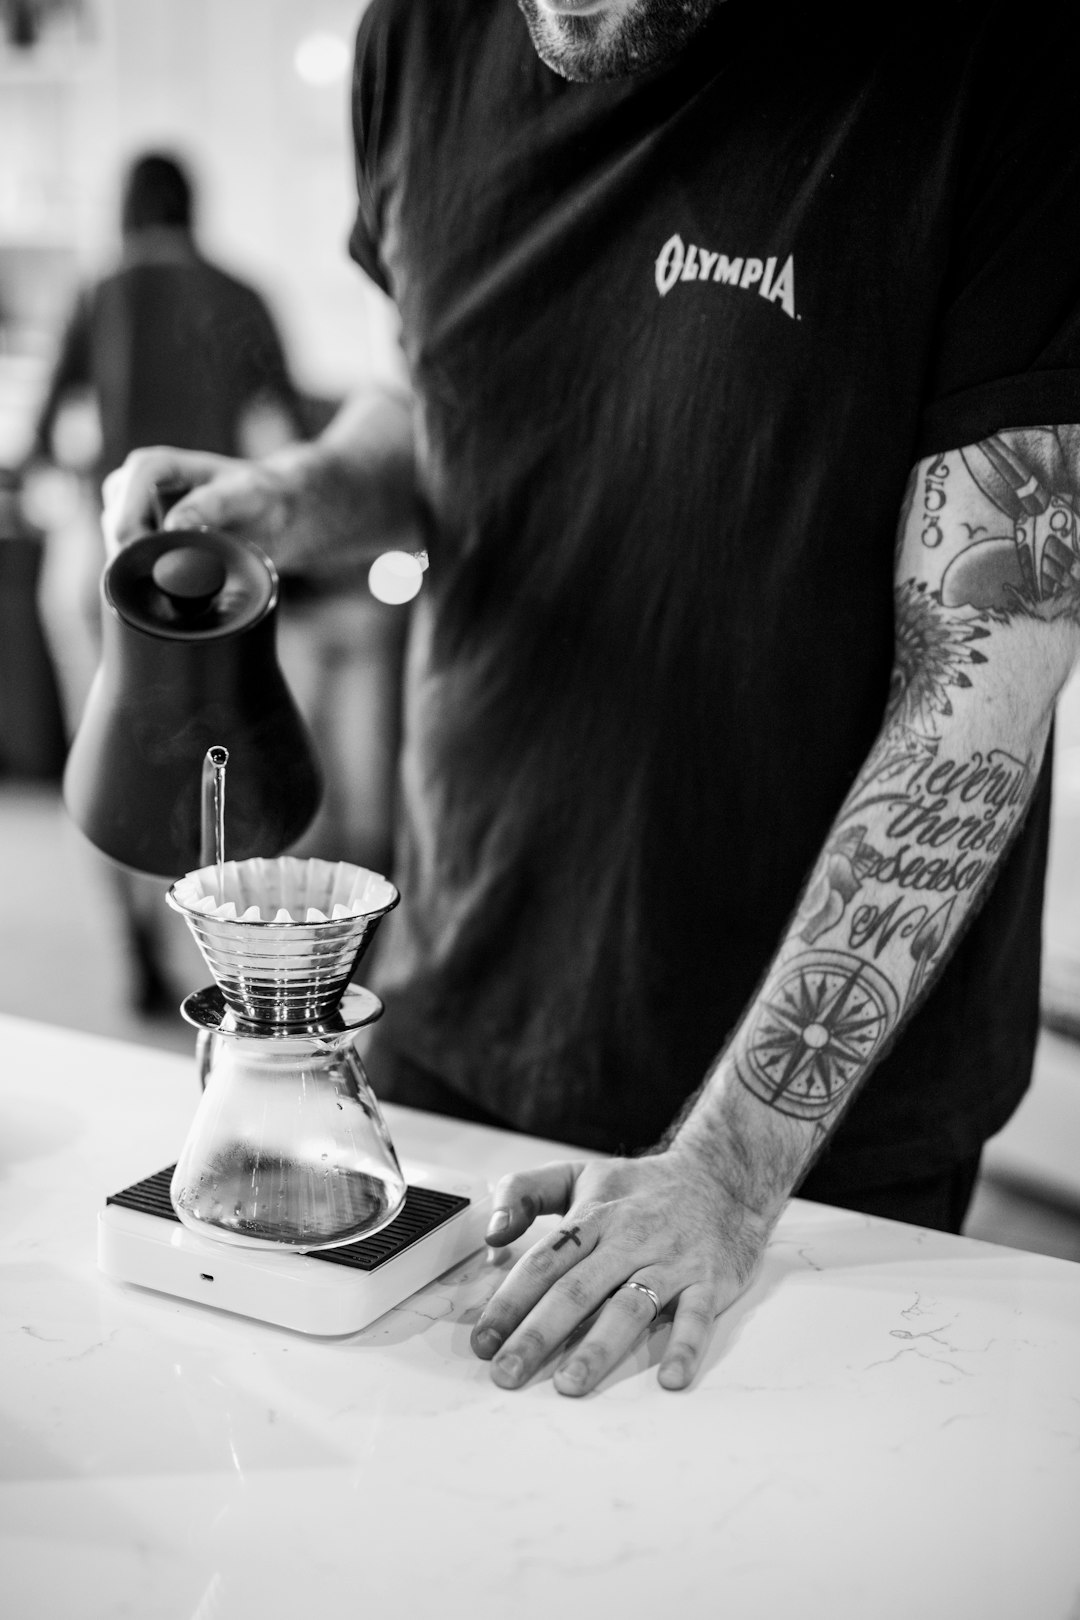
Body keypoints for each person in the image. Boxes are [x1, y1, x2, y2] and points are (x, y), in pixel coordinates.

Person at [103, 0, 1080, 1395]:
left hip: (807, 1130)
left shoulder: (996, 60)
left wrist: (729, 1177)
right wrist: (287, 500)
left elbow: (983, 680)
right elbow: (429, 390)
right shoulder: (418, 40)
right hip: (461, 998)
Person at [29, 150, 303, 1013]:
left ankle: (134, 952)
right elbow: (287, 429)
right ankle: (219, 947)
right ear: (193, 207)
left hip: (108, 560)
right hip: (213, 575)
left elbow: (41, 433)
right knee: (220, 765)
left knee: (108, 754)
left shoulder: (99, 290)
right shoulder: (241, 293)